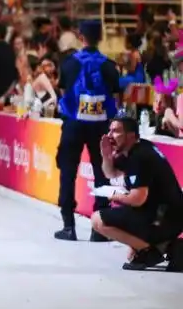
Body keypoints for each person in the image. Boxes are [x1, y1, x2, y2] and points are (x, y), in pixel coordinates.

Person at [53, 20, 120, 241]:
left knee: (68, 172)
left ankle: (68, 226)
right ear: (100, 38)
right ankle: (99, 229)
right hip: (100, 126)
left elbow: (63, 92)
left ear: (80, 36)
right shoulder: (110, 66)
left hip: (73, 125)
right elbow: (117, 97)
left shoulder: (69, 63)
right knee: (102, 174)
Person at [91, 115, 183, 271]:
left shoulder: (141, 157)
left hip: (165, 218)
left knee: (97, 220)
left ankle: (151, 251)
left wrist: (113, 196)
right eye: (110, 130)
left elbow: (137, 199)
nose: (110, 136)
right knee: (131, 242)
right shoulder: (136, 149)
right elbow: (110, 173)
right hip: (163, 213)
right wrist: (106, 155)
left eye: (116, 131)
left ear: (131, 135)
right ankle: (170, 247)